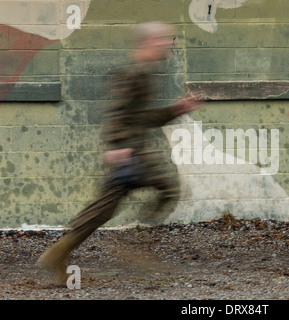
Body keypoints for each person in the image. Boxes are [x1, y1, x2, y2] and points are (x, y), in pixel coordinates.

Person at [37, 22, 202, 285]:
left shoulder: (144, 72)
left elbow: (140, 117)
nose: (166, 45)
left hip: (131, 150)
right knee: (167, 187)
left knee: (102, 210)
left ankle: (57, 255)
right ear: (148, 42)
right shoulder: (132, 73)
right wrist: (116, 145)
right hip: (131, 152)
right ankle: (136, 240)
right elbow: (116, 112)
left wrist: (175, 110)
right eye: (161, 40)